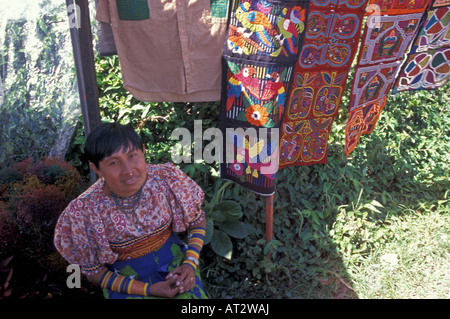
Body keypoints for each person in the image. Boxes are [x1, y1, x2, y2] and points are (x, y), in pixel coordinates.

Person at [54, 122, 207, 299]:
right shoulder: (84, 211)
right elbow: (93, 272)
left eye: (132, 155)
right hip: (125, 283)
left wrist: (190, 263)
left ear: (143, 151)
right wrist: (148, 290)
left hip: (177, 270)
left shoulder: (167, 179)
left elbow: (197, 221)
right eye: (113, 162)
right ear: (96, 168)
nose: (128, 170)